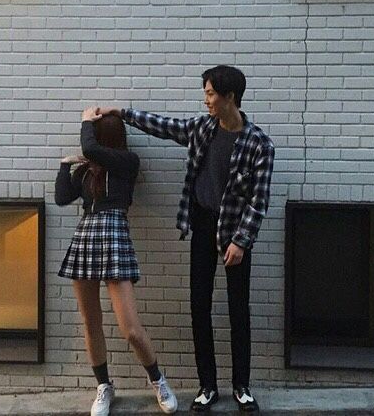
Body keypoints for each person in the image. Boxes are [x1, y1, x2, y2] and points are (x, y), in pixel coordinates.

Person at [98, 65, 274, 414]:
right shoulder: (202, 129)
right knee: (199, 305)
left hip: (235, 231)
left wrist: (241, 241)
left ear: (229, 97)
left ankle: (242, 386)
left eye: (210, 93)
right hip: (204, 225)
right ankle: (207, 386)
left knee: (238, 309)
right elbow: (164, 126)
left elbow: (259, 201)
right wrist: (122, 113)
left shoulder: (259, 144)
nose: (206, 100)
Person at [55, 108, 178, 416]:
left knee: (130, 329)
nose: (91, 142)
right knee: (91, 322)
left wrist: (86, 121)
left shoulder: (127, 162)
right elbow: (61, 197)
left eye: (95, 136)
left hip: (114, 237)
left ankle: (158, 380)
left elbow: (89, 148)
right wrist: (65, 167)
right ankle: (104, 386)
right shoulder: (88, 171)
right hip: (86, 237)